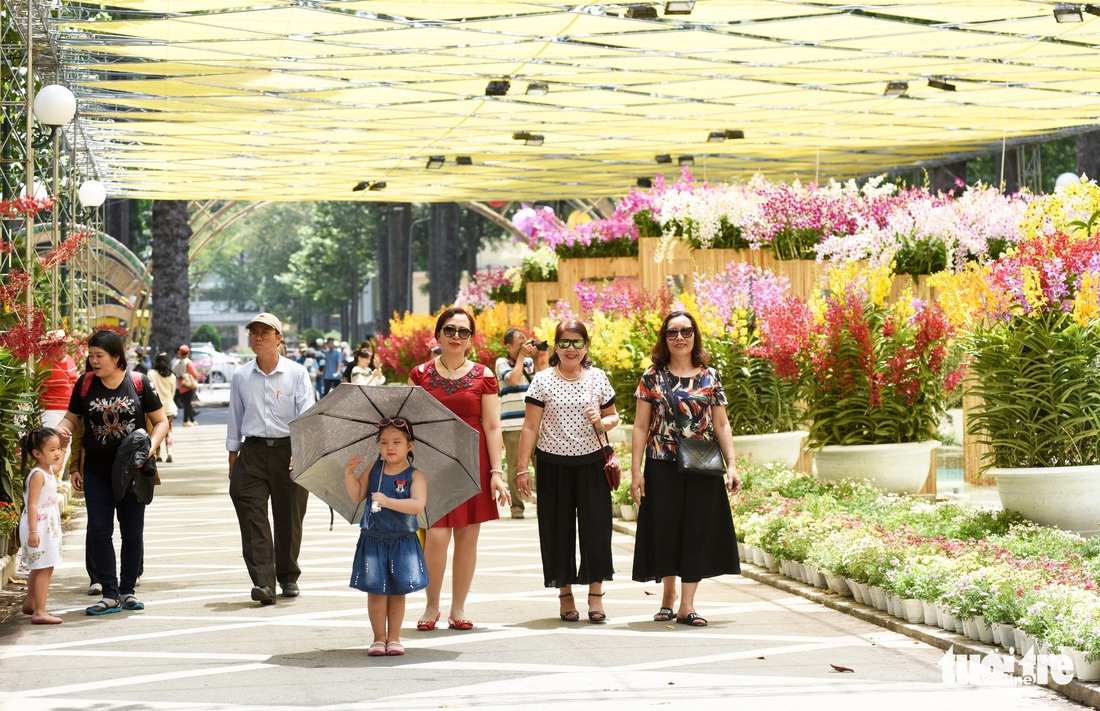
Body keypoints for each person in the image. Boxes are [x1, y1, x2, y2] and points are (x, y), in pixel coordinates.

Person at [630, 311, 741, 627]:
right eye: (672, 332)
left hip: (702, 465)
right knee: (665, 529)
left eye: (686, 332)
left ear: (695, 336)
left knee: (697, 531)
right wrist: (635, 472)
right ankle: (668, 596)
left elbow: (721, 423)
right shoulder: (651, 378)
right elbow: (640, 427)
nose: (680, 338)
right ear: (664, 338)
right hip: (661, 463)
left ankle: (687, 605)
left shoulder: (710, 377)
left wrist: (732, 465)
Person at [409, 307, 510, 630]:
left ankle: (458, 608)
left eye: (463, 332)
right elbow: (406, 421)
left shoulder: (485, 376)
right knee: (436, 536)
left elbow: (492, 426)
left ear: (471, 339)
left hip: (473, 462)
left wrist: (497, 472)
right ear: (437, 335)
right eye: (449, 330)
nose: (456, 336)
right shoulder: (420, 374)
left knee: (468, 536)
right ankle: (431, 606)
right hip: (432, 463)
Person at [57, 329, 168, 616]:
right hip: (96, 471)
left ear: (116, 357)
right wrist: (62, 430)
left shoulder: (139, 383)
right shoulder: (85, 383)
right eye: (91, 356)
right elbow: (73, 417)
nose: (93, 361)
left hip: (132, 471)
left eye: (99, 356)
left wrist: (150, 449)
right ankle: (108, 592)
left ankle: (127, 590)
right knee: (99, 531)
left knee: (132, 533)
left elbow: (160, 422)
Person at [515, 320, 618, 623]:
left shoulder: (597, 378)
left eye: (577, 343)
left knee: (596, 529)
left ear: (586, 346)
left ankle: (596, 594)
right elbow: (530, 426)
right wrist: (522, 469)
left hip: (592, 464)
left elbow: (614, 418)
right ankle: (565, 594)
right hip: (552, 465)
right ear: (556, 346)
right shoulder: (542, 381)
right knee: (557, 531)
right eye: (564, 342)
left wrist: (600, 420)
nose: (570, 349)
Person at [226, 312, 315, 605]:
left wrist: (300, 454)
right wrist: (233, 457)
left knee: (289, 516)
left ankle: (288, 575)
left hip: (289, 449)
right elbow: (235, 418)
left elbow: (307, 417)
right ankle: (264, 583)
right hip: (251, 451)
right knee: (251, 514)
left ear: (279, 338)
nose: (258, 337)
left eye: (266, 332)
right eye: (254, 332)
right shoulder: (241, 375)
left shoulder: (297, 373)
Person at [345, 418, 428, 657]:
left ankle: (394, 638)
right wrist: (350, 474)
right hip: (373, 539)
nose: (390, 447)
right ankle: (378, 638)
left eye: (396, 442)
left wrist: (388, 501)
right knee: (376, 592)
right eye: (384, 442)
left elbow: (417, 505)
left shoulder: (415, 476)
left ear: (409, 446)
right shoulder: (374, 468)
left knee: (397, 591)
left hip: (402, 540)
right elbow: (358, 494)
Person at [495, 329, 545, 519]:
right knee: (516, 466)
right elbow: (513, 380)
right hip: (513, 424)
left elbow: (542, 382)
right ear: (508, 346)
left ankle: (546, 505)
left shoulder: (529, 362)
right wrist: (522, 357)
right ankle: (517, 507)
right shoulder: (501, 362)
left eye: (526, 342)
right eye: (520, 343)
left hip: (534, 422)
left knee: (542, 465)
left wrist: (538, 358)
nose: (525, 346)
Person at [18, 427, 65, 625]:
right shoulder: (38, 474)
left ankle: (31, 603)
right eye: (52, 450)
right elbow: (32, 504)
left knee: (40, 566)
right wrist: (33, 531)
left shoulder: (48, 470)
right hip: (39, 526)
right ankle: (40, 611)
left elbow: (59, 466)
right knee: (45, 567)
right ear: (37, 453)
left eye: (58, 448)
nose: (57, 453)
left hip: (46, 526)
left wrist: (66, 444)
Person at [150, 353, 178, 463]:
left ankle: (158, 454)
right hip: (169, 407)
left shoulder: (151, 374)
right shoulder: (172, 376)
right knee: (168, 430)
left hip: (155, 407)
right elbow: (173, 393)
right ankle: (170, 452)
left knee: (156, 430)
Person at [174, 345, 199, 427]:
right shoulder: (188, 362)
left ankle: (192, 420)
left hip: (181, 385)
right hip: (188, 385)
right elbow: (194, 374)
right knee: (187, 404)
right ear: (188, 353)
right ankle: (185, 421)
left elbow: (173, 372)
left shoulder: (177, 362)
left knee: (187, 403)